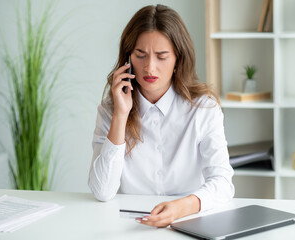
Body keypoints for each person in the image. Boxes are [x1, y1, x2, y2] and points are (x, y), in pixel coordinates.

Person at [88, 4, 234, 228]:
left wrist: (181, 207)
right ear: (128, 59)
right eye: (141, 55)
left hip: (190, 222)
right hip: (130, 226)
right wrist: (120, 115)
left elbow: (223, 183)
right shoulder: (111, 109)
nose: (149, 67)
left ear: (178, 60)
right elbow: (102, 191)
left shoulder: (204, 108)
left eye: (162, 56)